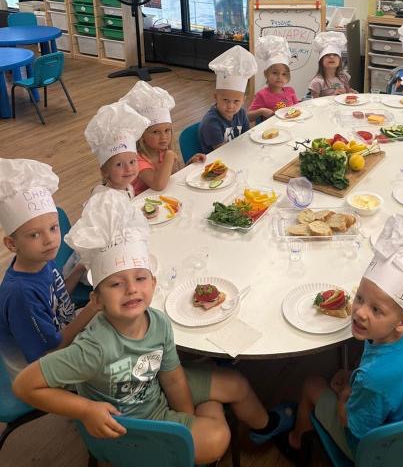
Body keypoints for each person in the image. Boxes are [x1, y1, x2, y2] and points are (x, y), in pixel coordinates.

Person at [12, 190, 290, 466]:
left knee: (237, 384)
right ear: (96, 300)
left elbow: (173, 378)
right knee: (218, 436)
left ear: (153, 284)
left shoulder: (157, 321)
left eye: (140, 278)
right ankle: (207, 422)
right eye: (116, 283)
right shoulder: (94, 348)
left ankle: (265, 428)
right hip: (133, 428)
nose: (131, 289)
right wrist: (86, 410)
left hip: (155, 387)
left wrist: (187, 418)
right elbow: (25, 385)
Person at [263, 216, 403, 463]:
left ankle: (295, 441)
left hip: (376, 453)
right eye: (360, 298)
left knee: (311, 384)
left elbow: (350, 423)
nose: (360, 312)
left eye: (376, 310)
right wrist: (354, 379)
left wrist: (345, 394)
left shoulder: (372, 378)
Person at [0, 159, 96, 381]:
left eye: (53, 228)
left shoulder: (40, 259)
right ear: (11, 244)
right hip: (39, 370)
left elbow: (57, 298)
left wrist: (79, 269)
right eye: (34, 234)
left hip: (62, 331)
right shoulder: (21, 295)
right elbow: (49, 353)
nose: (49, 240)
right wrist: (91, 309)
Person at [121, 82, 203, 195]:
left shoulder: (162, 151)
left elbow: (172, 177)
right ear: (141, 135)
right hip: (141, 202)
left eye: (167, 130)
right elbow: (158, 185)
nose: (163, 137)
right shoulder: (137, 160)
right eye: (156, 132)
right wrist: (169, 157)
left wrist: (189, 164)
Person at [85, 101, 150, 200]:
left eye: (132, 161)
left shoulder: (128, 187)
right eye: (119, 164)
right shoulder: (105, 199)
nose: (128, 169)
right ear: (104, 171)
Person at [198, 46, 257, 153]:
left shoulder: (241, 113)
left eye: (236, 101)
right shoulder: (211, 123)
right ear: (216, 97)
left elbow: (246, 137)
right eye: (225, 100)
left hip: (237, 154)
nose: (230, 106)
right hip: (218, 160)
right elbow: (222, 152)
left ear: (243, 100)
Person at [248, 35, 300, 121]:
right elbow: (248, 117)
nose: (279, 77)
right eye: (275, 73)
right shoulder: (262, 95)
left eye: (284, 74)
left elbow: (297, 108)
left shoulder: (290, 91)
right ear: (266, 74)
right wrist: (261, 111)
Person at [309, 31, 353, 98]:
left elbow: (348, 94)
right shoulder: (317, 82)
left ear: (340, 60)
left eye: (335, 54)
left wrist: (351, 94)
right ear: (321, 60)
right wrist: (333, 97)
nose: (331, 57)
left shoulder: (344, 77)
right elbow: (314, 102)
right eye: (327, 55)